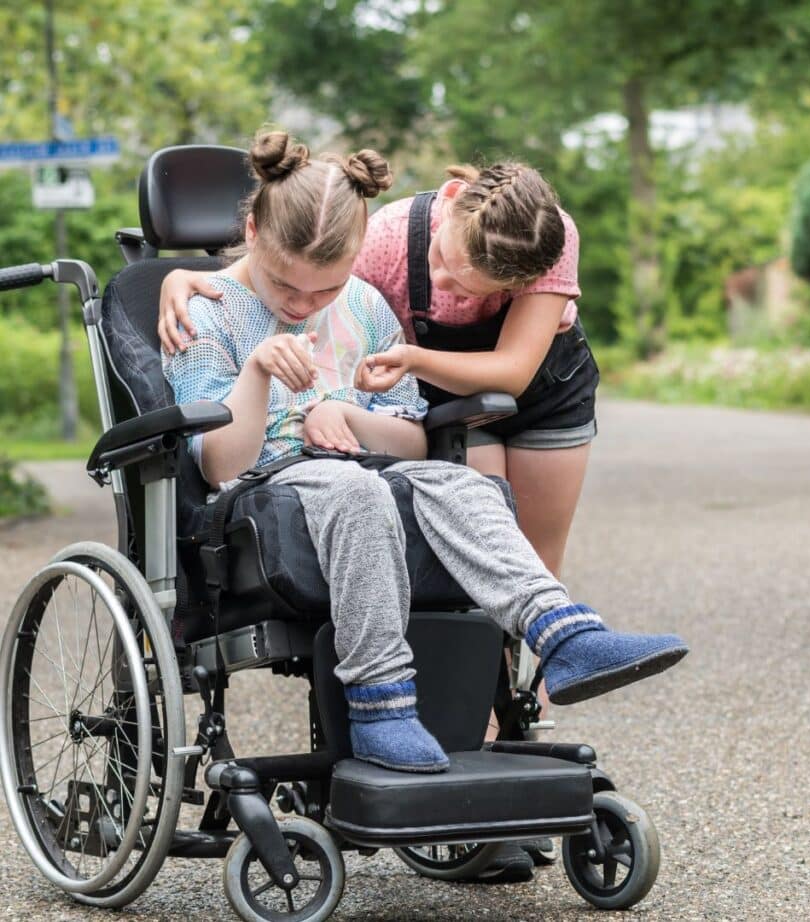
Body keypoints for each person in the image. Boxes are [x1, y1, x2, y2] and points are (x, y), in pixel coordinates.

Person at [163, 131, 686, 778]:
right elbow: (217, 465)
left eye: (323, 291)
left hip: (366, 468)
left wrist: (352, 416)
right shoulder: (205, 314)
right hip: (265, 490)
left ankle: (565, 633)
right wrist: (259, 374)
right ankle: (381, 706)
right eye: (285, 286)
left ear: (356, 257)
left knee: (458, 484)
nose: (302, 306)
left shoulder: (364, 306)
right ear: (250, 229)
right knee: (354, 491)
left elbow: (409, 438)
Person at [158, 153, 597, 581]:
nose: (444, 284)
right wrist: (182, 278)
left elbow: (512, 372)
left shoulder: (544, 236)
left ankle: (560, 642)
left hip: (542, 389)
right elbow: (298, 263)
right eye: (442, 261)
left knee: (535, 557)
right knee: (476, 554)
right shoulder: (386, 238)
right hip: (446, 399)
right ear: (451, 198)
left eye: (471, 288)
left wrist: (406, 364)